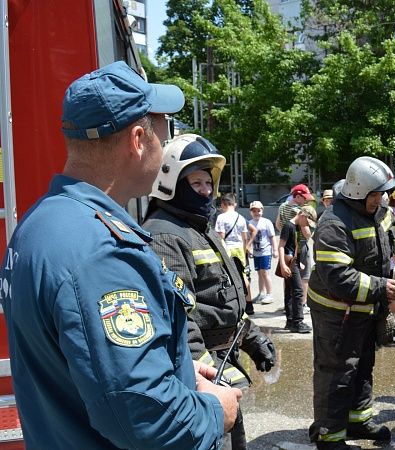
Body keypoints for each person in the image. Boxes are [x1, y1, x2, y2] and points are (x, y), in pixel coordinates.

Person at [0, 61, 240, 448]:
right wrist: (215, 410)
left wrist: (175, 366)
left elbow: (88, 364)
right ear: (138, 139)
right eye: (165, 130)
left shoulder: (39, 222)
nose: (165, 145)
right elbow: (145, 418)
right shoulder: (102, 251)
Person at [144, 134, 277, 449]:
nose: (206, 191)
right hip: (200, 377)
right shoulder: (164, 234)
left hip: (220, 362)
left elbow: (222, 302)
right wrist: (208, 371)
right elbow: (178, 316)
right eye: (196, 183)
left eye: (208, 183)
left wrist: (254, 341)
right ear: (171, 183)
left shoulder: (200, 229)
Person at [307, 156, 395, 449]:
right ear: (360, 192)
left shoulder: (378, 210)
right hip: (337, 314)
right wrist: (382, 286)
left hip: (365, 310)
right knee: (336, 372)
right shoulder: (333, 223)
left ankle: (358, 420)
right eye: (377, 194)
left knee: (362, 366)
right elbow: (338, 277)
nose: (383, 198)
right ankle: (330, 436)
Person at [276, 206, 316, 333]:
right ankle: (297, 321)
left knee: (290, 291)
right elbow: (281, 246)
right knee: (298, 290)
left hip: (294, 261)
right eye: (307, 222)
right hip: (288, 261)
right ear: (303, 215)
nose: (307, 225)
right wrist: (283, 264)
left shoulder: (298, 227)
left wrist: (299, 262)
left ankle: (290, 321)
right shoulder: (288, 226)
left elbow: (296, 246)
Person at [215, 193, 255, 314]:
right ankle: (249, 305)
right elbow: (245, 238)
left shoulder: (221, 218)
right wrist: (245, 251)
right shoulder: (241, 218)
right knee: (244, 276)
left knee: (229, 278)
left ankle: (236, 304)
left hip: (227, 250)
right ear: (234, 204)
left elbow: (221, 237)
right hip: (240, 250)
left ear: (223, 204)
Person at [248, 200, 278, 304]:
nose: (256, 213)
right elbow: (249, 238)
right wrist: (250, 249)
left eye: (258, 210)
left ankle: (269, 294)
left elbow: (272, 237)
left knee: (265, 273)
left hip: (266, 251)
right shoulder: (250, 223)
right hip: (256, 252)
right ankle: (262, 293)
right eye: (254, 211)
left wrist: (275, 250)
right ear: (250, 212)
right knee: (259, 273)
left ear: (262, 211)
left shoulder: (266, 222)